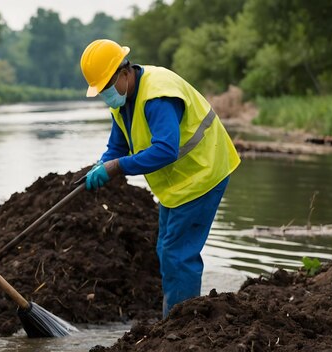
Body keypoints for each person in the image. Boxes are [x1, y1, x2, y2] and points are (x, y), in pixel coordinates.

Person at [79, 39, 241, 318]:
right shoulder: (123, 100)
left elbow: (165, 150)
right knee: (166, 249)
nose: (106, 95)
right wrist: (102, 164)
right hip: (179, 183)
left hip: (202, 172)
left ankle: (183, 326)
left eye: (107, 87)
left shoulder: (157, 95)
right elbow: (117, 146)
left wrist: (116, 167)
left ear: (124, 73)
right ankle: (176, 319)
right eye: (101, 90)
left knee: (178, 255)